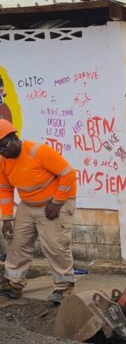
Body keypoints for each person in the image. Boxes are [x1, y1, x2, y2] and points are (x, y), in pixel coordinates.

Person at [0, 119, 77, 304]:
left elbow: (68, 174)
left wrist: (57, 202)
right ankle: (14, 284)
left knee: (55, 245)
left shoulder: (38, 151)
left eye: (3, 146)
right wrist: (7, 218)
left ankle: (64, 288)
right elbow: (5, 189)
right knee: (16, 242)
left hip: (55, 201)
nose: (2, 152)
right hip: (28, 204)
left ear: (14, 138)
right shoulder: (3, 161)